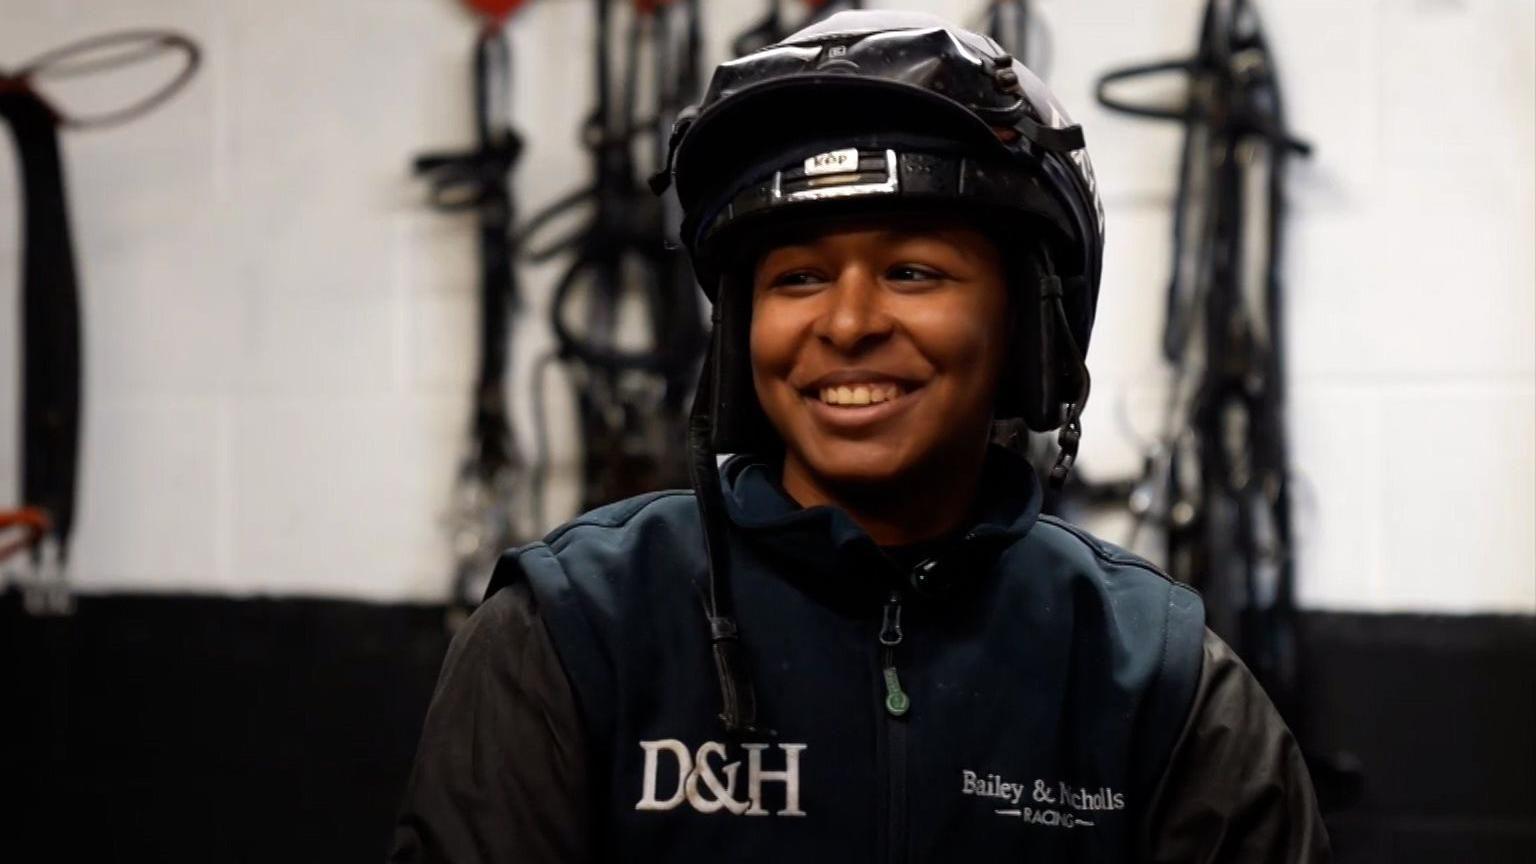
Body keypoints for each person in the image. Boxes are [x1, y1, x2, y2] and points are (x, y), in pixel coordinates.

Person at [391, 10, 1329, 863]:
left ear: (1027, 334)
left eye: (913, 271)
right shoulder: (573, 631)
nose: (845, 324)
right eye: (798, 276)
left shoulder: (1158, 681)